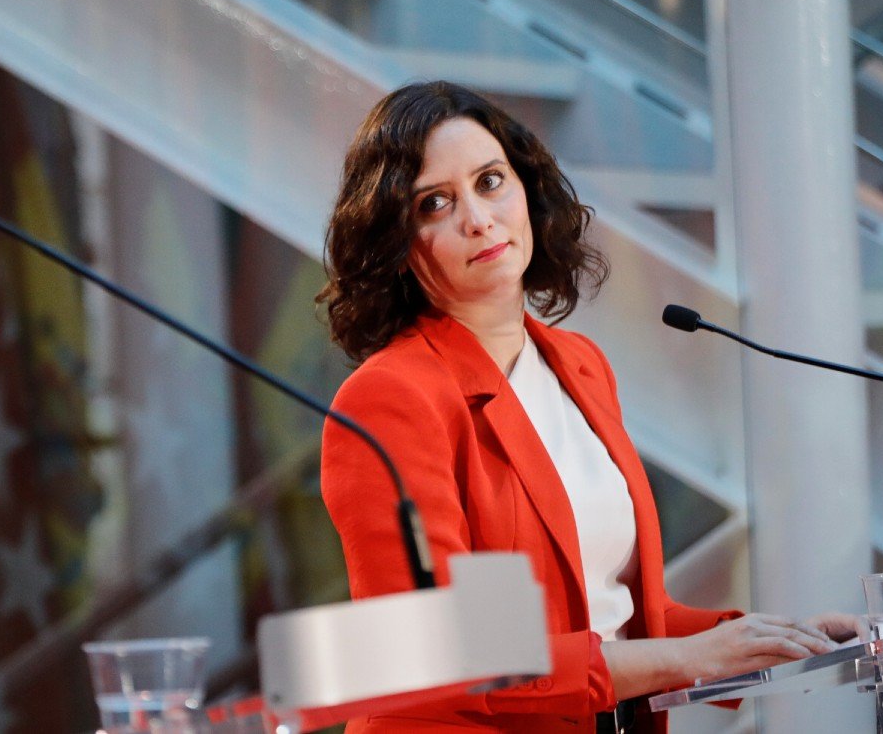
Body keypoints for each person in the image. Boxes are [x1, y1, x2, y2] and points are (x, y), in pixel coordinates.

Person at [317, 82, 855, 733]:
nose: (479, 219)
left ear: (527, 189)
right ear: (397, 242)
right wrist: (683, 655)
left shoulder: (579, 364)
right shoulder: (390, 396)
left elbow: (609, 613)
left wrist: (764, 638)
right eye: (435, 203)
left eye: (491, 181)